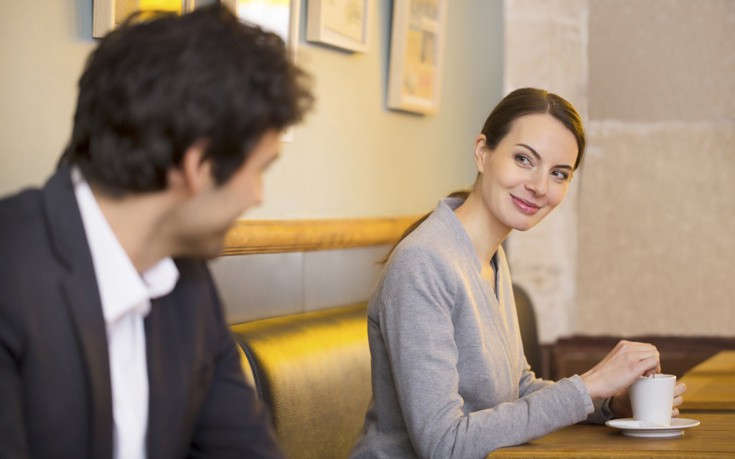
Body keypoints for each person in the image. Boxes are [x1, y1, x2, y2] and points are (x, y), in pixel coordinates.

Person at [0, 5, 312, 459]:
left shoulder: (190, 287)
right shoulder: (10, 272)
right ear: (198, 165)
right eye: (260, 169)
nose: (258, 196)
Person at [350, 88, 686, 458]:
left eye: (559, 173)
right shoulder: (424, 263)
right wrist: (588, 386)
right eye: (524, 159)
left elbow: (518, 387)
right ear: (483, 152)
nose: (540, 186)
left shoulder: (490, 257)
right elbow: (444, 444)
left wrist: (611, 405)